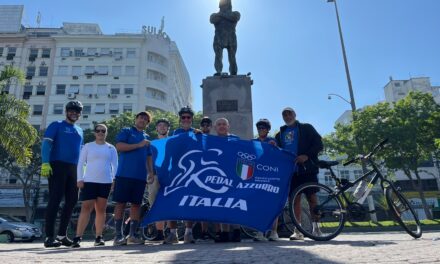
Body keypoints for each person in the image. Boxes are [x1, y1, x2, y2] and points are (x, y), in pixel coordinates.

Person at [274, 107, 323, 240]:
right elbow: (278, 152)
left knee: (312, 198)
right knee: (294, 200)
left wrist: (306, 155)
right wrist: (273, 146)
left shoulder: (306, 128)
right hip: (291, 171)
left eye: (290, 114)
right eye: (284, 115)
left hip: (307, 169)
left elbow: (319, 144)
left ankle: (316, 228)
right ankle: (298, 230)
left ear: (295, 115)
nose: (287, 117)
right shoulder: (279, 134)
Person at [41, 100, 84, 248]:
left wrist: (83, 168)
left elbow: (80, 150)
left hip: (74, 168)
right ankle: (49, 237)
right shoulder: (57, 125)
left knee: (72, 201)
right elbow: (46, 143)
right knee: (55, 200)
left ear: (79, 114)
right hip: (57, 165)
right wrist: (45, 162)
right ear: (66, 111)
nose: (74, 113)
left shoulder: (80, 130)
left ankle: (61, 235)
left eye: (77, 111)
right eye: (71, 110)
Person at [112, 111, 155, 246]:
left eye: (145, 119)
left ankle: (132, 235)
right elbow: (119, 146)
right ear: (136, 119)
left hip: (140, 177)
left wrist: (151, 172)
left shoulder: (147, 137)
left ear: (147, 124)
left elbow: (148, 157)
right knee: (121, 204)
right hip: (124, 174)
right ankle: (118, 236)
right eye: (140, 117)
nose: (142, 120)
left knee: (136, 205)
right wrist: (138, 145)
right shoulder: (126, 131)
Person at [72, 124, 118, 248]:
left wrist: (115, 179)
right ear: (94, 132)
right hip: (89, 181)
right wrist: (79, 179)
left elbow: (115, 165)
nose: (100, 132)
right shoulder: (88, 146)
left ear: (106, 133)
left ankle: (99, 237)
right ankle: (77, 237)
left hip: (106, 182)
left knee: (101, 210)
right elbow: (81, 163)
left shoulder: (111, 148)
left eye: (103, 131)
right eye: (98, 130)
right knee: (86, 208)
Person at [164, 106, 199, 244]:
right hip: (176, 173)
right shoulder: (174, 133)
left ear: (192, 119)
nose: (185, 119)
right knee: (173, 202)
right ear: (180, 119)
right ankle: (173, 234)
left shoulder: (197, 133)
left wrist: (200, 136)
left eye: (188, 117)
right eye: (183, 117)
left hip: (192, 173)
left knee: (190, 202)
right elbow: (168, 153)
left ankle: (188, 233)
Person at [213, 118, 241, 243]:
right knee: (220, 204)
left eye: (224, 124)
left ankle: (236, 232)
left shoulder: (235, 139)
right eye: (219, 124)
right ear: (215, 127)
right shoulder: (211, 141)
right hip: (218, 177)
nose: (222, 126)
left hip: (233, 176)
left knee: (234, 204)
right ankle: (224, 233)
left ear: (228, 126)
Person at [252, 119, 280, 242]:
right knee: (258, 204)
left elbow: (280, 156)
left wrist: (276, 148)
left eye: (263, 127)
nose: (261, 130)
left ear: (268, 129)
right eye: (259, 128)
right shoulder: (253, 142)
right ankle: (260, 231)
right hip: (257, 177)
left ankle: (274, 232)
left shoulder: (273, 141)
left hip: (271, 176)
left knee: (273, 204)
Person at [147, 118, 171, 242]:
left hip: (169, 176)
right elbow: (148, 159)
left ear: (168, 129)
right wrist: (150, 173)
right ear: (156, 128)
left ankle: (171, 233)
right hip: (155, 176)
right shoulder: (152, 143)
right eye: (159, 125)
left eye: (164, 125)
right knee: (155, 204)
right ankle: (160, 233)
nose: (162, 127)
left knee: (170, 203)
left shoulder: (172, 142)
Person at [210, 0, 241, 75]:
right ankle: (218, 71)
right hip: (219, 37)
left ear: (229, 5)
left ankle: (233, 72)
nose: (224, 6)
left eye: (226, 5)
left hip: (231, 38)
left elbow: (235, 17)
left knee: (232, 57)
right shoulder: (214, 15)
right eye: (223, 5)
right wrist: (224, 15)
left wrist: (222, 15)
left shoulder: (235, 13)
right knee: (218, 56)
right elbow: (212, 20)